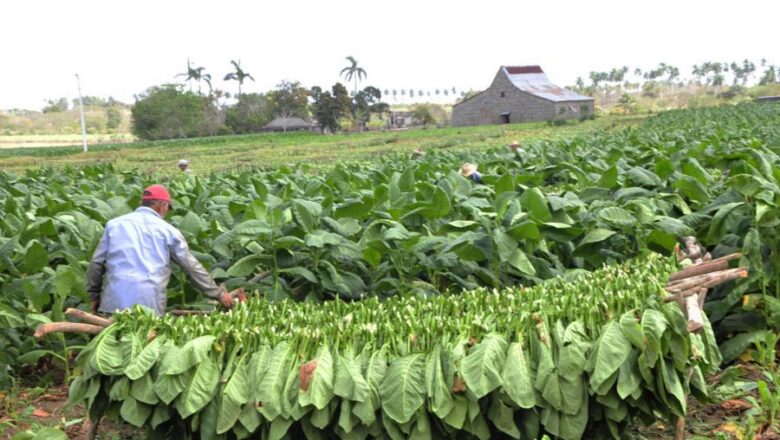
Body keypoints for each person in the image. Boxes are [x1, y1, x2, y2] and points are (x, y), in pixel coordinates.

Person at [86, 184, 233, 316]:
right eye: (167, 209)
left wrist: (93, 296)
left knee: (113, 344)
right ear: (163, 204)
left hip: (114, 301)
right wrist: (217, 293)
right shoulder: (169, 231)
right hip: (148, 304)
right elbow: (191, 267)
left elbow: (96, 263)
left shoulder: (114, 225)